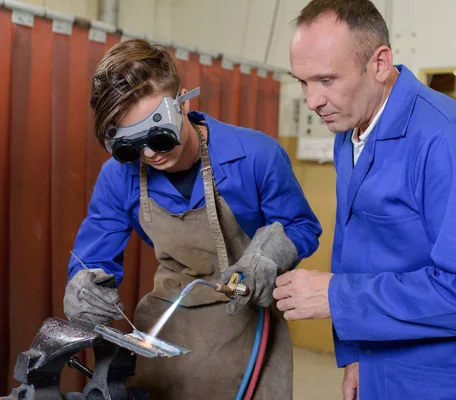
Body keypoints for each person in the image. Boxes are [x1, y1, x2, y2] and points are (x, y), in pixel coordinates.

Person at [272, 0, 456, 399]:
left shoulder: (447, 139)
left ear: (380, 63)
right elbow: (357, 253)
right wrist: (357, 355)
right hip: (384, 364)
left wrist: (337, 297)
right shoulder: (350, 131)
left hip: (454, 381)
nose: (312, 100)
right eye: (302, 82)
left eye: (327, 80)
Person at [62, 38, 322, 399]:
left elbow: (302, 225)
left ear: (184, 101)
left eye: (158, 135)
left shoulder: (256, 155)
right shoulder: (117, 176)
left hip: (251, 321)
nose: (149, 153)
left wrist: (271, 253)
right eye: (132, 145)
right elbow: (93, 255)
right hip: (168, 325)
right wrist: (84, 285)